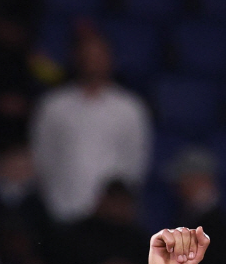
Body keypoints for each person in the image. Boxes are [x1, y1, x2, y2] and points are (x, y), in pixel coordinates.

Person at [30, 26, 152, 223]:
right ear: (76, 58)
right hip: (63, 211)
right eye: (87, 55)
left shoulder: (129, 108)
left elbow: (135, 161)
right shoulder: (53, 106)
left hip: (111, 216)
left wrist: (117, 202)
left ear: (110, 58)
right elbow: (42, 156)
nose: (92, 62)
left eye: (98, 55)